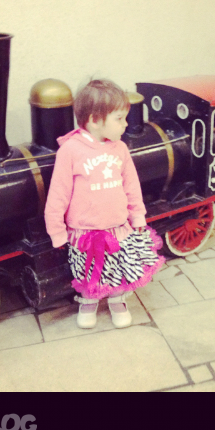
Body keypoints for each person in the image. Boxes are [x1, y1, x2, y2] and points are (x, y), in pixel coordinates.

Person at [44, 78, 164, 329]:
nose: (125, 124)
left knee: (118, 267)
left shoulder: (120, 149)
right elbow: (58, 194)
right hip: (85, 231)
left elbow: (131, 186)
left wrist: (138, 216)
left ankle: (117, 300)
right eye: (119, 118)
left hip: (118, 227)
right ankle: (88, 302)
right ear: (95, 120)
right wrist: (56, 231)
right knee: (88, 271)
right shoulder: (70, 151)